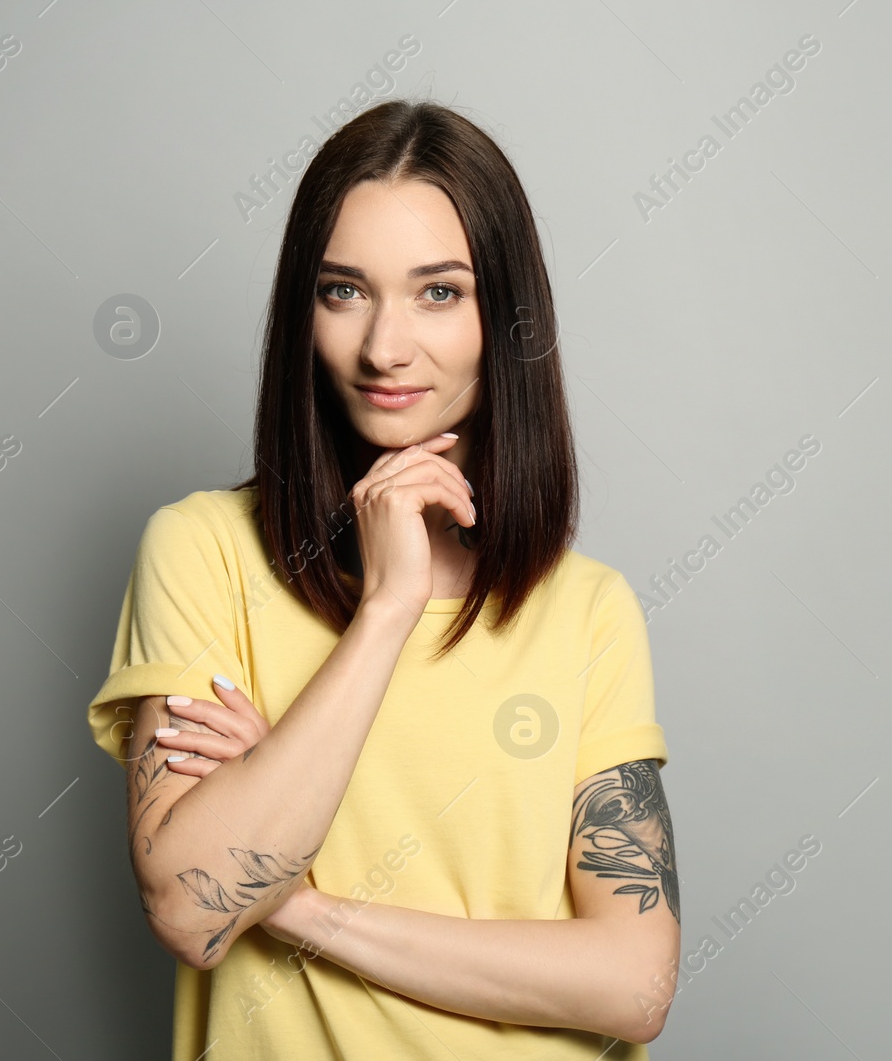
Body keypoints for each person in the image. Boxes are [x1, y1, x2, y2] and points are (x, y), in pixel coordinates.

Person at [85, 99, 680, 1059]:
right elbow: (195, 907)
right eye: (343, 291)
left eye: (439, 292)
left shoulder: (587, 612)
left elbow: (637, 983)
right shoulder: (204, 554)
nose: (384, 348)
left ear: (506, 316)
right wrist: (387, 610)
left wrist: (304, 907)